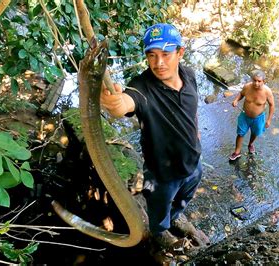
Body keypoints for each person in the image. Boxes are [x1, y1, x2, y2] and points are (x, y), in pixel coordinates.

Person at [100, 23, 209, 250]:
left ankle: (176, 217)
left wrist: (195, 134)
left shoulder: (189, 75)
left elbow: (193, 110)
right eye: (152, 56)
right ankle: (160, 232)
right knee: (159, 206)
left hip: (193, 161)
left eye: (166, 54)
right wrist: (115, 103)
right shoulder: (142, 87)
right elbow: (124, 104)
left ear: (180, 53)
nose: (158, 63)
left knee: (183, 197)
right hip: (160, 173)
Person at [229, 70, 275, 161]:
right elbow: (241, 94)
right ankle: (237, 152)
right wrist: (236, 100)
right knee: (240, 133)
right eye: (254, 80)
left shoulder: (267, 92)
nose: (256, 83)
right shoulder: (247, 87)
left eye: (259, 81)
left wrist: (269, 119)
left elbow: (272, 105)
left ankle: (250, 144)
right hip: (245, 116)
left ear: (263, 81)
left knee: (254, 133)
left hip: (258, 118)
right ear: (252, 79)